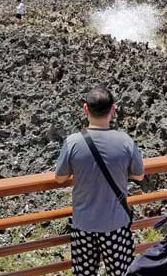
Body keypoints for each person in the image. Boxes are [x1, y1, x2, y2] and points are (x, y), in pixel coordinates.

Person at [55, 86, 144, 276]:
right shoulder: (125, 141)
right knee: (121, 273)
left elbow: (60, 177)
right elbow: (139, 175)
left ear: (86, 109)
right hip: (115, 225)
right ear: (113, 109)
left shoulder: (72, 142)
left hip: (83, 225)